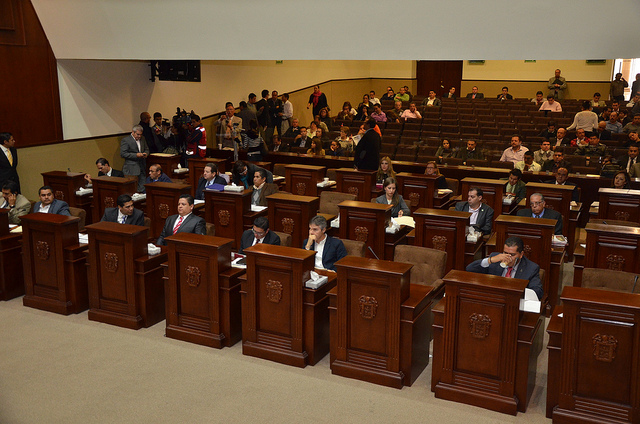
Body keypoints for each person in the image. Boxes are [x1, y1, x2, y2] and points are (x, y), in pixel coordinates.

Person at [466, 236, 543, 300]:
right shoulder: (495, 259)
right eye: (505, 253)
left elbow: (537, 292)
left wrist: (516, 292)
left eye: (512, 255)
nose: (507, 258)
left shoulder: (531, 268)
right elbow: (470, 269)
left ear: (521, 254)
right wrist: (490, 260)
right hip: (493, 299)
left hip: (514, 302)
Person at [120, 125, 149, 193]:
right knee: (133, 188)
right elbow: (123, 154)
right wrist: (136, 155)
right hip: (131, 167)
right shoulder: (126, 140)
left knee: (142, 185)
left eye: (140, 134)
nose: (139, 136)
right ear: (133, 132)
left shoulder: (143, 139)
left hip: (142, 165)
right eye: (138, 134)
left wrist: (146, 153)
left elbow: (147, 149)